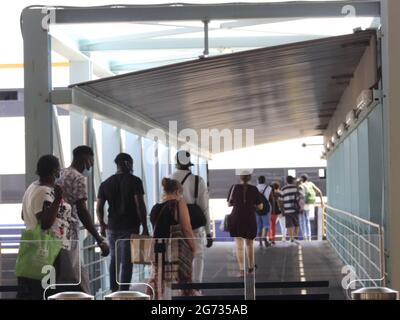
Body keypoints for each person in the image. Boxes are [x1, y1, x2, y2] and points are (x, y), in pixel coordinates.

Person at [17, 155, 72, 300]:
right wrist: (58, 199)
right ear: (55, 170)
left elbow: (24, 215)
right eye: (58, 168)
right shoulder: (45, 191)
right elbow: (46, 223)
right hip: (47, 250)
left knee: (34, 292)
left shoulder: (32, 187)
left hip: (32, 248)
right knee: (47, 292)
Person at [57, 146, 109, 293]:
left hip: (55, 233)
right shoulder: (79, 178)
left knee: (64, 277)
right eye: (91, 161)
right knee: (76, 279)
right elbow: (82, 210)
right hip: (69, 234)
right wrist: (99, 238)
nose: (91, 166)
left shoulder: (60, 173)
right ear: (85, 159)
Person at [96, 153, 149, 292]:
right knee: (127, 261)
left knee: (115, 259)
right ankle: (124, 291)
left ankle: (114, 291)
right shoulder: (135, 181)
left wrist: (102, 223)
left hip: (112, 227)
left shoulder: (105, 183)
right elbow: (140, 205)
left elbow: (99, 207)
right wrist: (145, 227)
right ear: (128, 164)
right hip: (130, 227)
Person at [170, 150, 212, 286]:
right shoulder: (198, 180)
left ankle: (179, 288)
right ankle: (196, 288)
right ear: (189, 164)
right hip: (194, 222)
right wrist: (208, 232)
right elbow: (204, 207)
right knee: (198, 254)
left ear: (176, 162)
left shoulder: (168, 179)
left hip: (175, 223)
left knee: (176, 255)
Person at [149, 178, 196, 298]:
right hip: (176, 250)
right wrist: (193, 247)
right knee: (183, 280)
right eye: (180, 193)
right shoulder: (179, 204)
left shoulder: (155, 208)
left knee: (158, 280)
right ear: (177, 191)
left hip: (158, 249)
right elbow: (186, 229)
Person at [227, 171, 263, 277]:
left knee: (239, 246)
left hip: (236, 218)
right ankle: (251, 269)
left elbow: (229, 203)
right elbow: (260, 206)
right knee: (250, 244)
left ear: (240, 177)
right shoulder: (254, 189)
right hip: (249, 218)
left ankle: (242, 271)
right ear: (250, 177)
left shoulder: (234, 187)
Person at [299, 174, 325, 241]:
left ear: (302, 179)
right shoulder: (311, 183)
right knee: (307, 220)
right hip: (310, 204)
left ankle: (305, 237)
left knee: (302, 220)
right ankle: (309, 237)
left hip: (303, 204)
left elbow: (300, 196)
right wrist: (322, 202)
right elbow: (319, 191)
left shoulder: (301, 185)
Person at [279, 176, 304, 243]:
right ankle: (295, 236)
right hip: (295, 210)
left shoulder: (283, 189)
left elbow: (281, 201)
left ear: (286, 181)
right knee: (296, 224)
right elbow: (301, 198)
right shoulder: (296, 188)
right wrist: (301, 208)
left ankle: (291, 238)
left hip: (287, 210)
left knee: (289, 225)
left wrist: (282, 210)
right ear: (292, 180)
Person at [255, 176, 272, 247]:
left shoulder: (255, 188)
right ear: (264, 181)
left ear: (257, 181)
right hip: (266, 208)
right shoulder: (269, 188)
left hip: (257, 208)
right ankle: (265, 238)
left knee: (259, 225)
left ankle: (260, 242)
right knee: (266, 225)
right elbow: (271, 198)